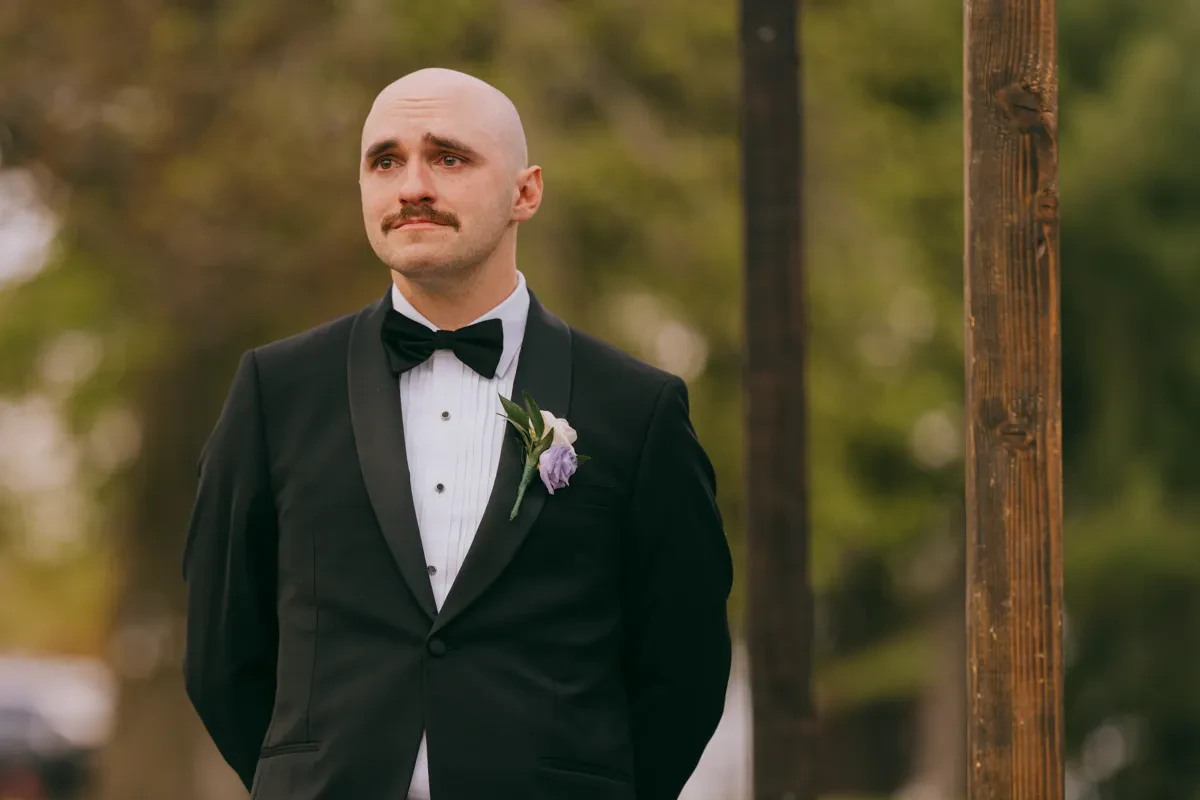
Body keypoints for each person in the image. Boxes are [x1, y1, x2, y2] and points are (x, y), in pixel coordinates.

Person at [181, 67, 733, 800]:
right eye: (386, 161)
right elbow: (221, 653)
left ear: (525, 193)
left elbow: (685, 668)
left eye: (448, 157)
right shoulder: (273, 392)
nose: (412, 186)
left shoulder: (638, 408)